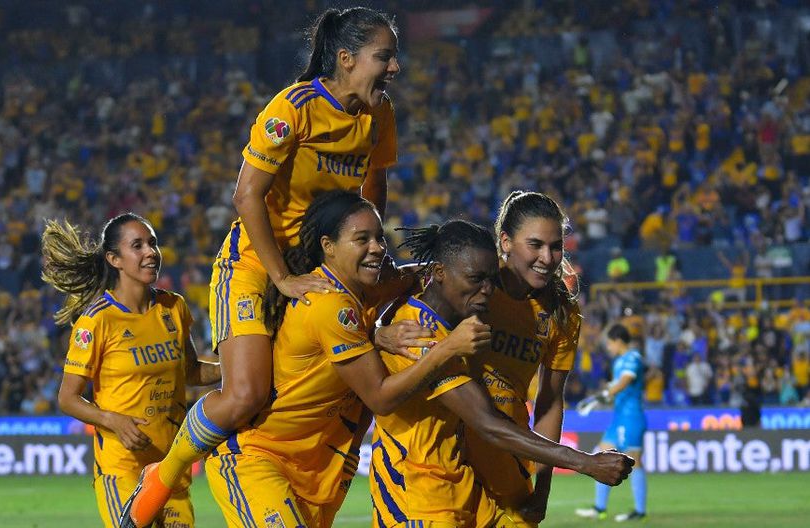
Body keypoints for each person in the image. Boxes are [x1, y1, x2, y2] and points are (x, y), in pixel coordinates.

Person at [120, 7, 402, 526]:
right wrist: (282, 277)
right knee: (246, 393)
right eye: (384, 57)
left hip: (318, 268)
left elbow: (375, 186)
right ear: (346, 58)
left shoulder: (378, 114)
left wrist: (373, 250)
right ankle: (165, 474)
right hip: (253, 263)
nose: (394, 68)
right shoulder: (293, 108)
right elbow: (246, 195)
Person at [205, 190, 489, 528]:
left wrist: (377, 334)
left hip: (316, 468)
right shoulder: (329, 303)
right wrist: (448, 347)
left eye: (380, 238)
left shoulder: (362, 295)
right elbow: (380, 397)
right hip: (263, 459)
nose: (378, 248)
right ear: (328, 246)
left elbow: (423, 276)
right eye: (362, 239)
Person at [371, 220, 634, 528]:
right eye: (476, 279)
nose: (487, 290)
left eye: (491, 280)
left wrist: (375, 332)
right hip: (415, 499)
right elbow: (487, 423)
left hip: (461, 488)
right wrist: (585, 463)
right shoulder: (416, 333)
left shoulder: (452, 326)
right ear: (439, 272)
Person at [41, 214, 220, 528]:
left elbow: (190, 372)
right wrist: (113, 420)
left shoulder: (173, 306)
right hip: (123, 470)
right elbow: (67, 399)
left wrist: (239, 368)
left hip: (170, 469)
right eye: (137, 245)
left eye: (152, 243)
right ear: (115, 260)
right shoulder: (97, 321)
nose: (151, 252)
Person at [464, 191, 582, 526]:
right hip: (450, 450)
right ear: (505, 241)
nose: (547, 257)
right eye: (535, 245)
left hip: (509, 456)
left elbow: (549, 402)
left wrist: (542, 487)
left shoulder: (562, 312)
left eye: (555, 246)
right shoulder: (471, 284)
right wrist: (382, 331)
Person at [575, 324, 648, 522]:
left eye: (609, 343)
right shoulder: (619, 361)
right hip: (619, 418)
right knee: (604, 454)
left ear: (618, 341)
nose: (608, 347)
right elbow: (615, 388)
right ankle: (599, 508)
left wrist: (605, 394)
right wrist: (599, 399)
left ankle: (639, 511)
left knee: (635, 460)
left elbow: (625, 381)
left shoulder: (633, 357)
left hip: (631, 418)